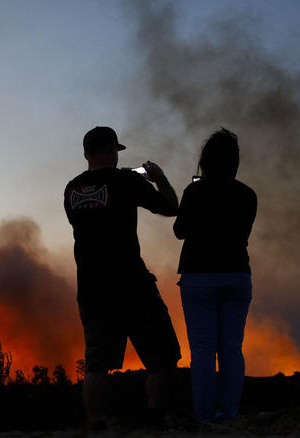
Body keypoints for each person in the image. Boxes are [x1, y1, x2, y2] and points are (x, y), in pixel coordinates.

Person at [64, 126, 181, 429]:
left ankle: (97, 428)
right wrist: (158, 179)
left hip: (90, 289)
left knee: (97, 366)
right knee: (163, 355)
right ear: (112, 149)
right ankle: (156, 424)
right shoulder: (127, 181)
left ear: (87, 153)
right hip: (130, 284)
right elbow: (170, 208)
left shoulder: (71, 189)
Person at [173, 128, 257, 424]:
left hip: (199, 278)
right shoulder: (248, 195)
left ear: (206, 161)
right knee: (232, 349)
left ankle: (204, 416)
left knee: (204, 351)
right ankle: (230, 413)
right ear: (234, 162)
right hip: (236, 276)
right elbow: (241, 232)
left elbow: (179, 231)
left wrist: (195, 196)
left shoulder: (194, 192)